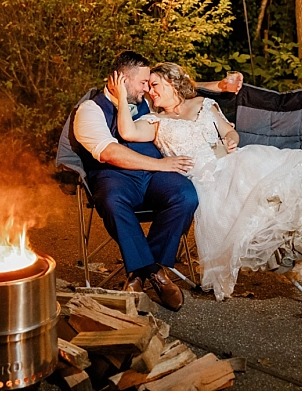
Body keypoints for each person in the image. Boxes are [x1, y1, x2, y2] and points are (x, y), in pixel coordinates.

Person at [108, 62, 302, 301]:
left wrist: (231, 139)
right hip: (204, 177)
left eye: (155, 85)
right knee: (251, 180)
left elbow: (228, 131)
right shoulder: (155, 121)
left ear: (172, 81)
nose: (151, 92)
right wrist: (121, 97)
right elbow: (127, 131)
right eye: (149, 87)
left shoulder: (203, 104)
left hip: (227, 158)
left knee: (262, 159)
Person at [72, 51, 240, 311]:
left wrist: (217, 85)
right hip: (115, 177)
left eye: (149, 85)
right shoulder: (89, 110)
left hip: (153, 177)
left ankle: (139, 274)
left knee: (186, 195)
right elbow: (110, 152)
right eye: (142, 83)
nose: (147, 89)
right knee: (111, 200)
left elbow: (175, 88)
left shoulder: (145, 102)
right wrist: (161, 164)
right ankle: (156, 275)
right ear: (120, 81)